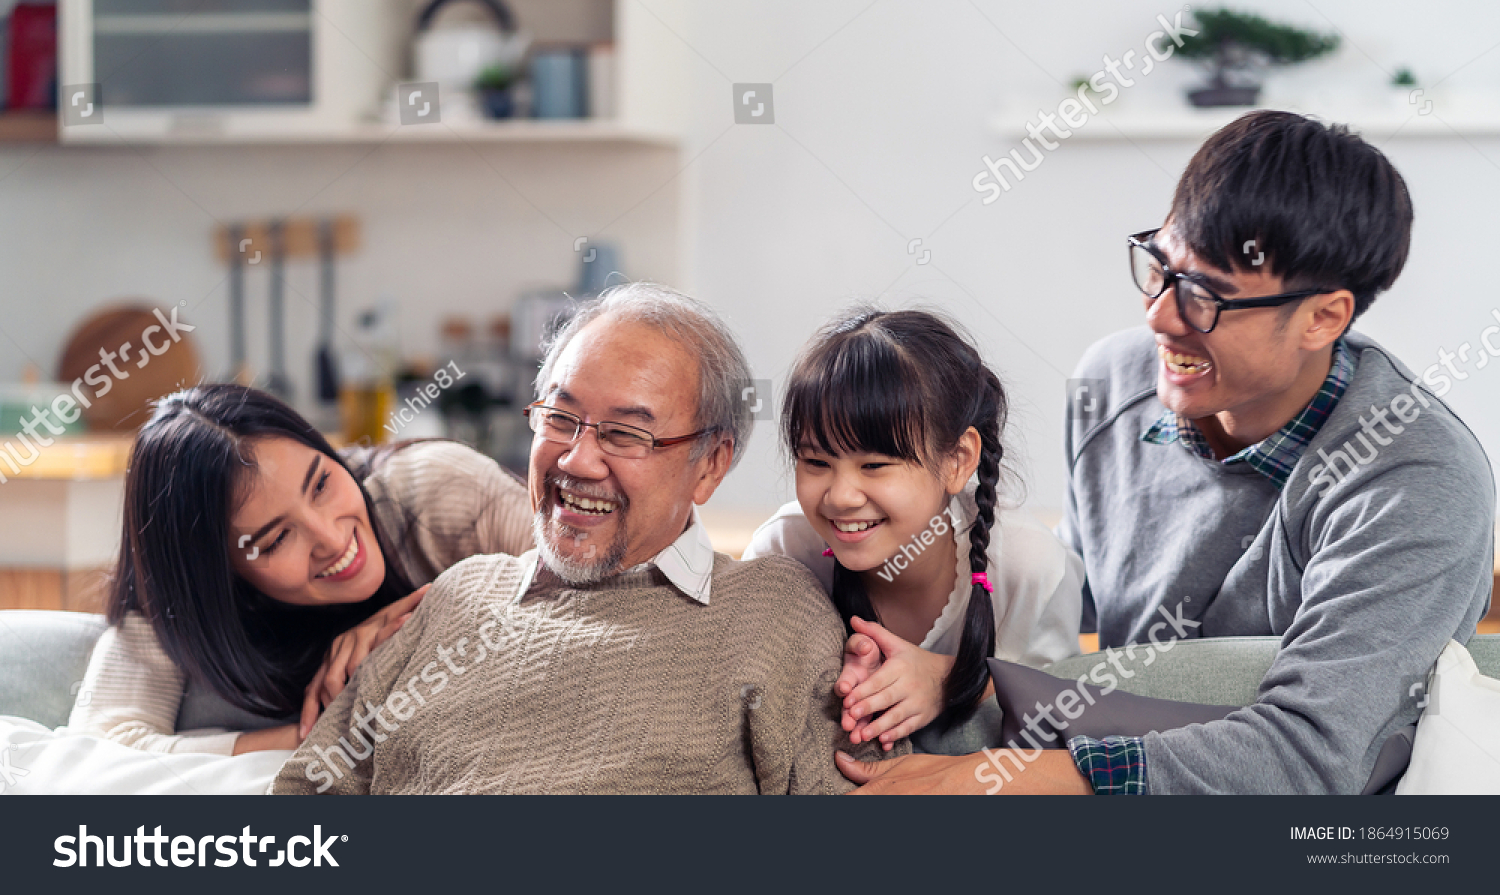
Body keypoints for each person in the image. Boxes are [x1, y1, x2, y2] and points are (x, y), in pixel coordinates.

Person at [837, 110, 1495, 794]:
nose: (1159, 316)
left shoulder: (1414, 480)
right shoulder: (1115, 383)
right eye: (1160, 267)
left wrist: (985, 781)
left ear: (1322, 317)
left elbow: (1310, 757)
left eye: (1207, 296)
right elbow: (1077, 605)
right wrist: (955, 673)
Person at [270, 283, 896, 795]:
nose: (578, 460)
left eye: (626, 434)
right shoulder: (458, 596)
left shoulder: (774, 612)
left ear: (710, 465)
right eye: (561, 418)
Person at [68, 384, 534, 755]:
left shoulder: (436, 489)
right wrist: (328, 734)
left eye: (322, 483)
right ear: (217, 573)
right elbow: (102, 747)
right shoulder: (177, 605)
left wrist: (425, 624)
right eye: (277, 539)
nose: (332, 538)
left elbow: (594, 594)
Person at [743, 308, 1082, 750]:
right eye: (816, 463)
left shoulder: (1031, 567)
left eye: (875, 465)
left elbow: (1064, 733)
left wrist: (953, 682)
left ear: (957, 461)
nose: (841, 496)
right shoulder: (785, 550)